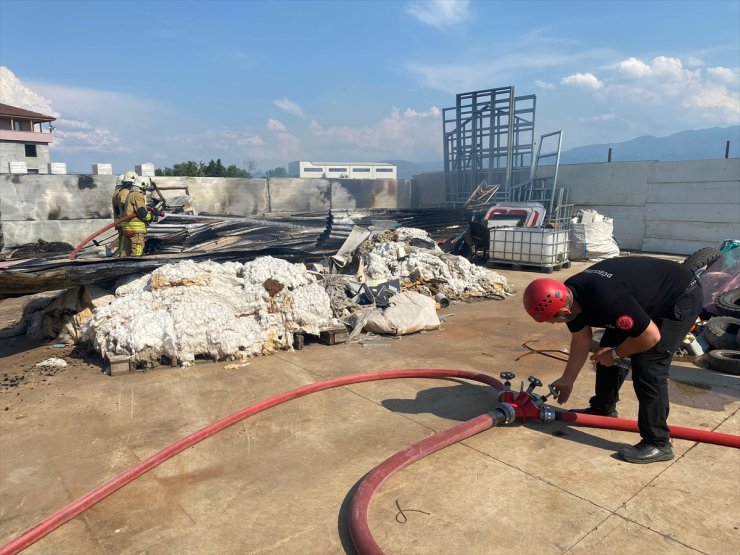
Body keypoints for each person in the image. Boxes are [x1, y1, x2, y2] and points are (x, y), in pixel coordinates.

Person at [522, 257, 702, 464]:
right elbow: (581, 340)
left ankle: (658, 442)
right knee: (607, 347)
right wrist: (567, 379)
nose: (552, 324)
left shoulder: (607, 299)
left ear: (564, 312)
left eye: (552, 320)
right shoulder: (571, 295)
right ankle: (603, 408)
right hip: (640, 296)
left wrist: (617, 354)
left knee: (649, 366)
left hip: (679, 296)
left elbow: (649, 337)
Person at [120, 176, 159, 256]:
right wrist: (152, 217)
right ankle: (136, 266)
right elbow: (141, 212)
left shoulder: (129, 194)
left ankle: (127, 267)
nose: (145, 190)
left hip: (127, 227)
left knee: (128, 252)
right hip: (136, 229)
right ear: (143, 185)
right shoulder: (138, 195)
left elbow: (133, 209)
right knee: (137, 252)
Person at [112, 171, 137, 256]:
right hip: (125, 221)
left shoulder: (118, 192)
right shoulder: (124, 192)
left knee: (124, 241)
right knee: (125, 242)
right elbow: (124, 207)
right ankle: (123, 257)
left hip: (121, 220)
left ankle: (123, 255)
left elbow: (118, 209)